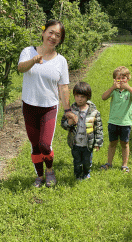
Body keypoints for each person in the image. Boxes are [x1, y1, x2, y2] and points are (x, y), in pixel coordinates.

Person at [18, 20, 77, 188]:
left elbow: (64, 86)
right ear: (43, 32)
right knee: (35, 144)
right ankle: (39, 175)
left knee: (44, 144)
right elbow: (21, 68)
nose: (53, 37)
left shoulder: (61, 61)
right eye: (51, 32)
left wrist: (67, 110)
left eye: (58, 35)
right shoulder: (28, 51)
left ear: (60, 40)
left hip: (48, 108)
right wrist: (34, 61)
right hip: (29, 106)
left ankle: (50, 170)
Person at [100, 66, 132, 172]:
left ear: (128, 79)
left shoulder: (129, 92)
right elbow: (103, 97)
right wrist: (112, 87)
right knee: (112, 143)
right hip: (113, 122)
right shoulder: (113, 91)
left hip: (125, 123)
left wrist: (128, 88)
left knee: (125, 144)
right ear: (114, 80)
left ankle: (124, 165)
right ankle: (109, 163)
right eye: (118, 78)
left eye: (124, 78)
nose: (121, 80)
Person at [61, 82, 103, 180]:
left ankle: (86, 172)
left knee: (87, 161)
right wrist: (69, 123)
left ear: (88, 97)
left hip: (88, 143)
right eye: (77, 96)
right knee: (77, 161)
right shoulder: (70, 111)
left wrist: (97, 143)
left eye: (82, 97)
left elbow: (99, 128)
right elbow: (63, 124)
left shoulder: (93, 112)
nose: (79, 99)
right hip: (75, 143)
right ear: (74, 96)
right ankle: (77, 174)